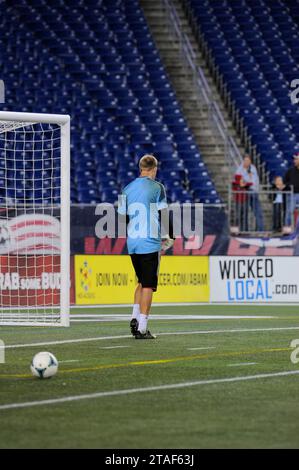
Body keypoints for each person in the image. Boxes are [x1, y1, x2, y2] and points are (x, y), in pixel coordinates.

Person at [118, 155, 174, 339]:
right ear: (154, 168)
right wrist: (170, 237)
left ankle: (134, 318)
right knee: (149, 285)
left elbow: (121, 218)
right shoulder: (158, 187)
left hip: (133, 242)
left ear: (140, 167)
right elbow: (164, 214)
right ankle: (142, 327)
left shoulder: (126, 189)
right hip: (149, 241)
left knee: (142, 282)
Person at [236, 155, 264, 231]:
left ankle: (260, 230)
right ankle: (244, 230)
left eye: (248, 161)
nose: (246, 162)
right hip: (244, 193)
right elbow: (238, 179)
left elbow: (253, 181)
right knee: (244, 212)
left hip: (253, 191)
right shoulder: (240, 169)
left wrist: (245, 181)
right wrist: (245, 181)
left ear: (250, 161)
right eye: (245, 160)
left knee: (258, 212)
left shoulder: (253, 168)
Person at [283, 152, 299, 230]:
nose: (294, 161)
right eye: (294, 159)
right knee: (289, 212)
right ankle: (287, 230)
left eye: (296, 159)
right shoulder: (290, 171)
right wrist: (289, 186)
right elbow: (285, 182)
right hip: (292, 194)